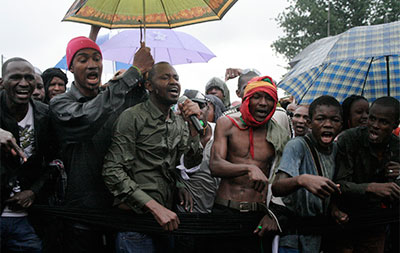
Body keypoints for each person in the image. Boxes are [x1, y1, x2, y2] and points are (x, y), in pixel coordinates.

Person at [49, 36, 154, 252]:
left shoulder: (113, 97)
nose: (92, 64)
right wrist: (132, 72)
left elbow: (145, 116)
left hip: (120, 208)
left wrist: (142, 81)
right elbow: (88, 118)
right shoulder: (60, 104)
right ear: (70, 67)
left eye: (97, 58)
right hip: (83, 214)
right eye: (83, 59)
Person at [102, 62, 204, 253]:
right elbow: (112, 171)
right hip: (136, 224)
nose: (173, 82)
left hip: (166, 222)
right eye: (165, 77)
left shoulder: (178, 121)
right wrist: (154, 207)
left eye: (176, 78)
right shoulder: (132, 117)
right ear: (149, 86)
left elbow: (190, 163)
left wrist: (194, 129)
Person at [210, 76, 290, 253]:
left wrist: (274, 215)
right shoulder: (227, 124)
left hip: (258, 215)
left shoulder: (279, 133)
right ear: (246, 99)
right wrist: (249, 168)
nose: (263, 103)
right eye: (257, 97)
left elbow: (283, 177)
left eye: (269, 98)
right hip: (225, 210)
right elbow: (215, 166)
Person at [272, 95, 343, 252]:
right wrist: (301, 180)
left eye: (335, 120)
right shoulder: (297, 146)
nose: (328, 125)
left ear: (341, 124)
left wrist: (334, 208)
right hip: (293, 237)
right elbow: (277, 187)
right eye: (321, 119)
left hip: (317, 235)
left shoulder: (337, 150)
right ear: (310, 123)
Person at [329, 96, 400, 253]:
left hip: (376, 222)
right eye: (372, 118)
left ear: (395, 124)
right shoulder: (350, 139)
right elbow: (340, 184)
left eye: (383, 122)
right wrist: (372, 188)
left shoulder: (397, 146)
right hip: (345, 219)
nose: (375, 125)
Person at [0, 57, 53, 252]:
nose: (23, 83)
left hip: (28, 219)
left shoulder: (45, 114)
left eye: (28, 78)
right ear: (2, 82)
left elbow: (55, 161)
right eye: (15, 77)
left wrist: (33, 191)